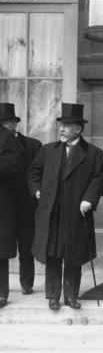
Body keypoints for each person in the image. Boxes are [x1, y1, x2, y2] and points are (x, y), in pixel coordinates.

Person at [28, 103, 103, 310]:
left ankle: (71, 296)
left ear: (78, 129)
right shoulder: (48, 150)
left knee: (74, 255)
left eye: (67, 125)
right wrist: (36, 189)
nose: (61, 129)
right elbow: (34, 172)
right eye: (61, 125)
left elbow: (98, 179)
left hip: (76, 212)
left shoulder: (93, 153)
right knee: (53, 254)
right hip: (52, 211)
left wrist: (89, 199)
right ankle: (53, 296)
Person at [0, 103, 42, 295]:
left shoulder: (33, 145)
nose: (6, 126)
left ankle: (27, 284)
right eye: (2, 123)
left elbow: (39, 173)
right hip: (5, 205)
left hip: (26, 204)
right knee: (3, 245)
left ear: (15, 124)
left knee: (27, 246)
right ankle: (3, 289)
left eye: (8, 122)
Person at [0, 104, 25, 308]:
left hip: (3, 202)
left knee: (0, 251)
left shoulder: (8, 138)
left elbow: (12, 166)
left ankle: (1, 294)